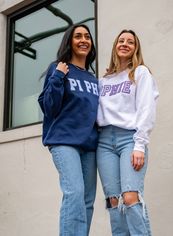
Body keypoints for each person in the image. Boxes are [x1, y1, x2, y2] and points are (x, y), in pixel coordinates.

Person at [96, 29, 159, 236]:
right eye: (121, 40)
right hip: (104, 142)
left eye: (130, 42)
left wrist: (140, 144)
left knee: (130, 197)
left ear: (135, 48)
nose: (124, 44)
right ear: (115, 46)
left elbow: (146, 109)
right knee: (114, 201)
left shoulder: (140, 73)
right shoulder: (103, 81)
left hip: (129, 139)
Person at [38, 24, 98, 236]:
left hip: (90, 145)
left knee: (88, 200)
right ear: (69, 42)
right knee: (74, 193)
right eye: (78, 36)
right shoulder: (59, 68)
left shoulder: (93, 79)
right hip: (64, 141)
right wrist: (57, 77)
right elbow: (49, 108)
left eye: (87, 37)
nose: (83, 40)